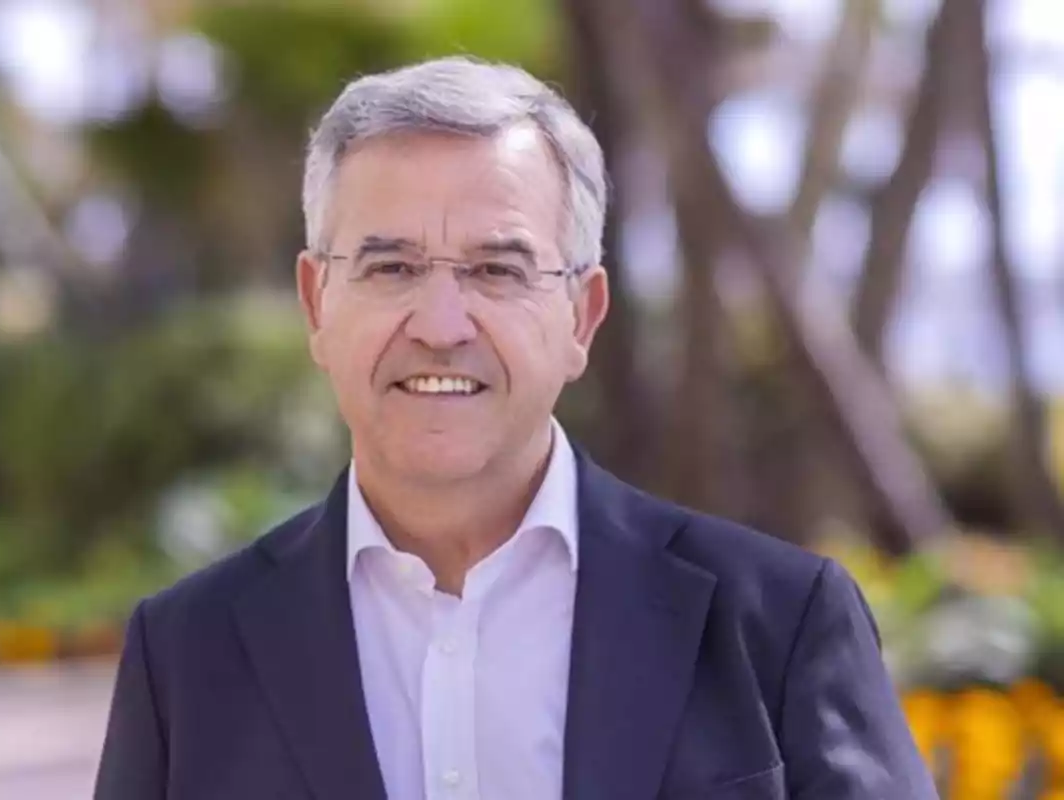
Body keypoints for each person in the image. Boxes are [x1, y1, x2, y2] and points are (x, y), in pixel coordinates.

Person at [94, 56, 936, 800]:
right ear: (317, 304)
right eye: (391, 268)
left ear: (582, 314)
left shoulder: (781, 625)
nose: (442, 323)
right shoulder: (185, 657)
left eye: (497, 269)